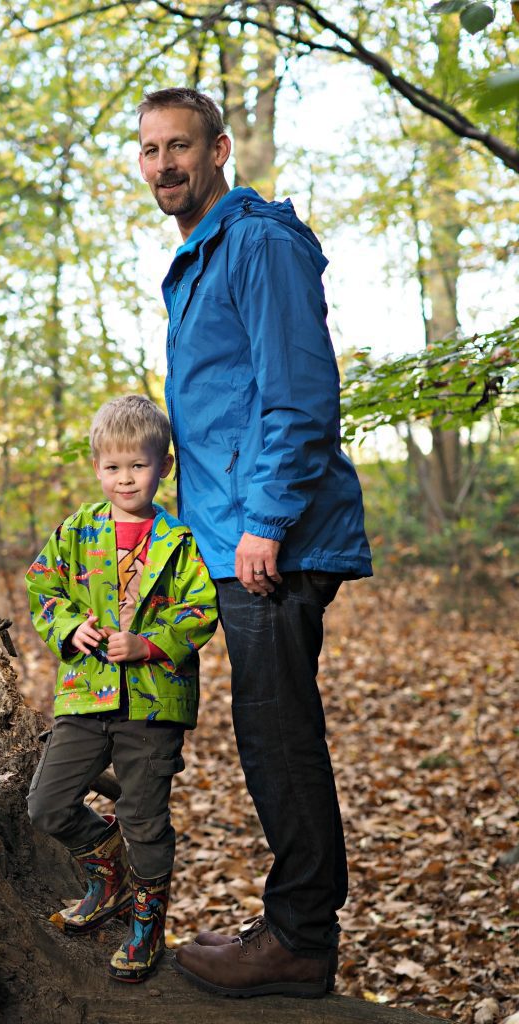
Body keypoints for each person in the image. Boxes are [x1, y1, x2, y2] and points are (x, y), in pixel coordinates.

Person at [136, 87, 373, 999]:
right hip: (235, 534)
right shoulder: (205, 256)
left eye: (180, 146)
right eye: (151, 150)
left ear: (220, 148)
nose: (165, 165)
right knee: (269, 732)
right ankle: (294, 925)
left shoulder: (259, 244)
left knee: (278, 736)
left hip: (272, 538)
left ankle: (300, 939)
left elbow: (300, 394)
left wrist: (266, 522)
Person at [25, 394, 217, 983]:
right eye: (113, 467)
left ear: (163, 468)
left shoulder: (178, 540)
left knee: (145, 818)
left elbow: (201, 607)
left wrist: (148, 643)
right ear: (96, 468)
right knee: (47, 803)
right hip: (86, 696)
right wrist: (68, 626)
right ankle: (107, 874)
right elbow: (42, 587)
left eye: (138, 465)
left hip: (153, 705)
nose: (125, 478)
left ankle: (147, 925)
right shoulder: (79, 531)